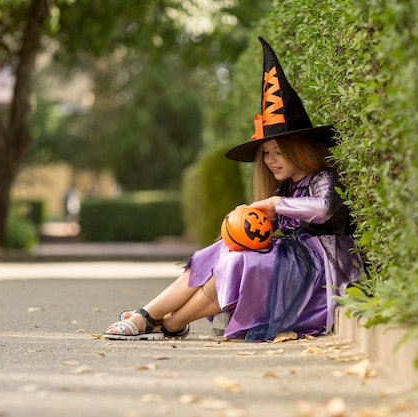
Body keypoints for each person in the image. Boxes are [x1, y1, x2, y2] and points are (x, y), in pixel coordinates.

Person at [103, 37, 364, 342]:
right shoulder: (287, 186)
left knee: (237, 261)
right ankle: (150, 314)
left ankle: (167, 322)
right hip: (296, 260)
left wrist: (274, 204)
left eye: (278, 151)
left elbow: (323, 209)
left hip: (323, 270)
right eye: (266, 153)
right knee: (223, 250)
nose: (271, 160)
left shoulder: (323, 178)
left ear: (300, 148)